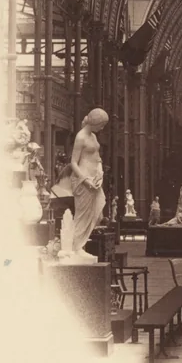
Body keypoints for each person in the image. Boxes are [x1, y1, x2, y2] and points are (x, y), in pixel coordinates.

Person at [68, 108, 109, 258]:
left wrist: (100, 172)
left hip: (94, 180)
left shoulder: (93, 136)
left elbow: (97, 158)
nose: (102, 128)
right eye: (101, 124)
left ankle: (80, 246)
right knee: (82, 215)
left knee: (93, 215)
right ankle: (76, 248)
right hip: (83, 181)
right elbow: (73, 163)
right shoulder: (81, 137)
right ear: (94, 122)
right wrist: (85, 180)